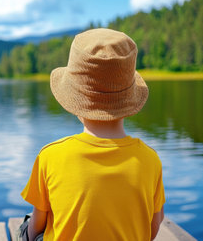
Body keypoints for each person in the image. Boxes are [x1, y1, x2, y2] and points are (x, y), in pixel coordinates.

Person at [18, 28, 165, 241]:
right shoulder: (150, 160)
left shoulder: (50, 156)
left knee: (28, 225)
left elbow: (37, 227)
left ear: (76, 100)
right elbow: (153, 228)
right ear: (127, 100)